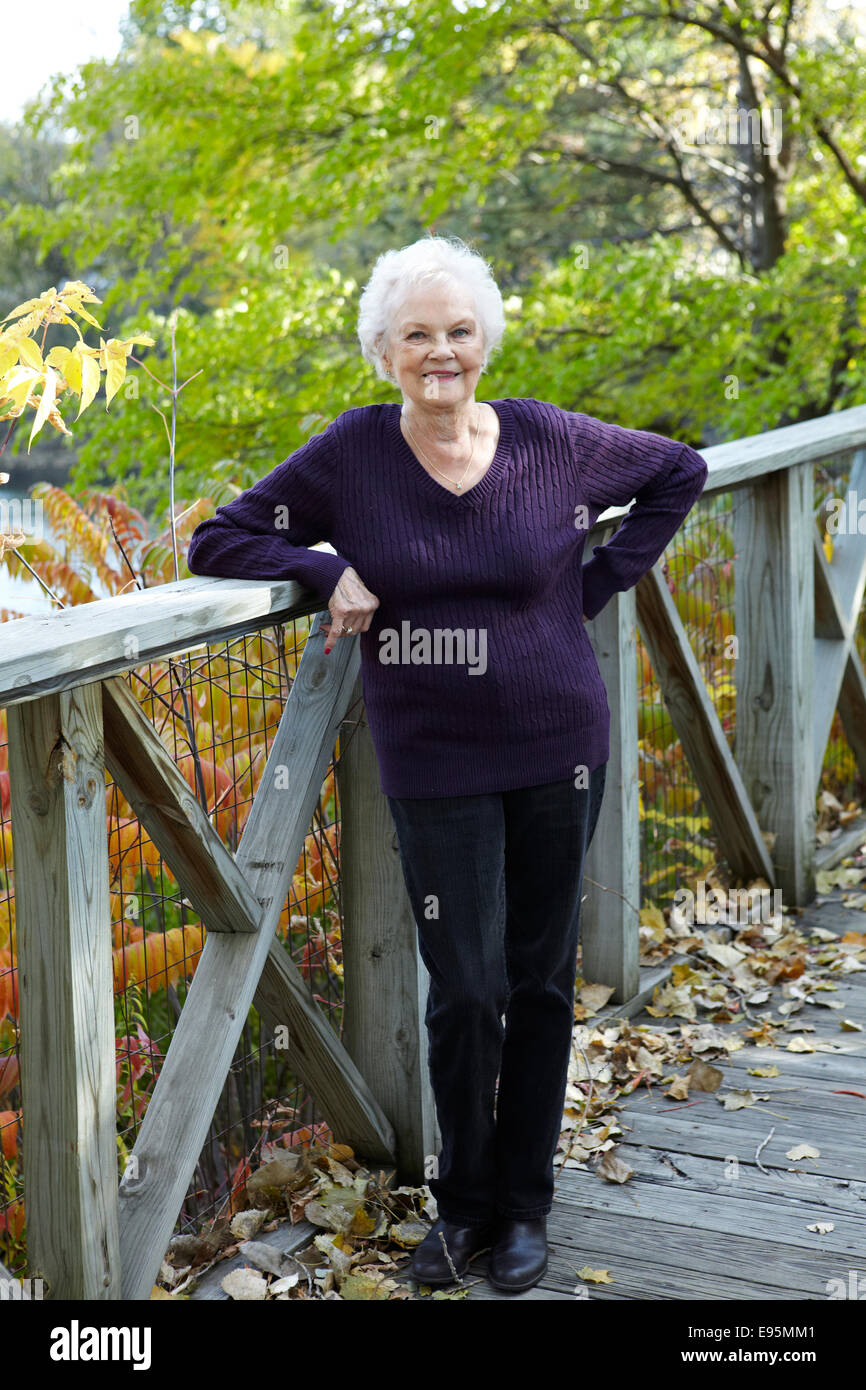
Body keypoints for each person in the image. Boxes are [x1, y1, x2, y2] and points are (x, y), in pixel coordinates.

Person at [187, 233, 708, 1294]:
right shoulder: (353, 454)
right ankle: (458, 1204)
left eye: (458, 331)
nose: (440, 352)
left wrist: (593, 585)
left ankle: (523, 1207)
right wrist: (320, 563)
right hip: (433, 759)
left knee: (539, 979)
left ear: (485, 343)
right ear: (383, 352)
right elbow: (220, 537)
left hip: (559, 745)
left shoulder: (551, 442)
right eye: (416, 335)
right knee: (463, 990)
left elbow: (676, 469)